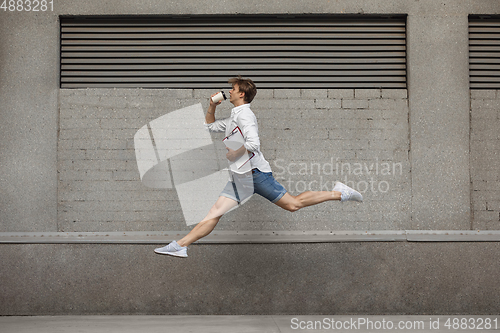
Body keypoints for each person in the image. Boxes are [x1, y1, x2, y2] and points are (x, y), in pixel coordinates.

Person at [154, 77, 363, 257]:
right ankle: (180, 246)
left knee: (293, 204)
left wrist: (235, 152)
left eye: (233, 89)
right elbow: (209, 126)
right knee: (215, 212)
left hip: (255, 174)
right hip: (240, 176)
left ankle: (339, 193)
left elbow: (254, 144)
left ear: (242, 94)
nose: (229, 91)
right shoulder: (234, 116)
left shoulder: (245, 115)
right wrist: (212, 106)